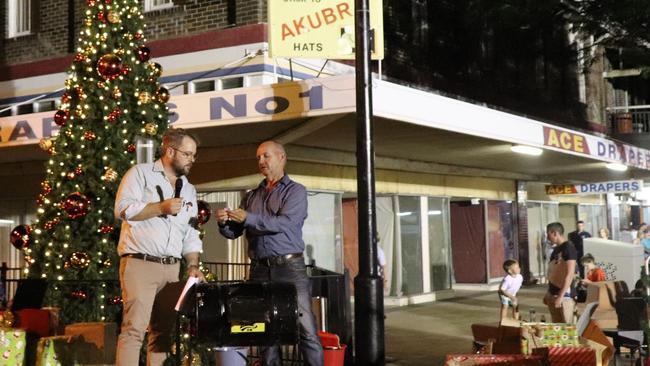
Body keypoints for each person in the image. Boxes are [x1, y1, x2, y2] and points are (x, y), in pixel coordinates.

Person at [217, 141, 323, 366]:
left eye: (266, 156)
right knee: (265, 331)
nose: (261, 161)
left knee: (306, 329)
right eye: (258, 158)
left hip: (289, 269)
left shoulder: (296, 191)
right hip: (259, 269)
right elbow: (234, 232)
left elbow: (285, 223)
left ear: (281, 157)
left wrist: (248, 218)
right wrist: (224, 223)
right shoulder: (252, 196)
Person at [114, 128, 204, 366]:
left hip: (172, 269)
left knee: (163, 334)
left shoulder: (189, 189)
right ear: (170, 151)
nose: (192, 160)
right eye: (187, 154)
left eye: (194, 155)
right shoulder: (140, 174)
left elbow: (191, 231)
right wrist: (160, 207)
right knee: (134, 329)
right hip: (140, 263)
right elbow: (123, 209)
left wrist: (193, 265)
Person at [544, 222, 577, 323]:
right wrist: (548, 293)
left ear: (554, 233)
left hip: (564, 296)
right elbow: (554, 271)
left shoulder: (568, 248)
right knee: (556, 327)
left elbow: (570, 274)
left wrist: (560, 296)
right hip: (553, 293)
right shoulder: (556, 250)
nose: (548, 238)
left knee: (566, 327)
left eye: (548, 234)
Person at [498, 259, 523, 323]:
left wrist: (514, 296)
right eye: (516, 268)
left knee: (516, 306)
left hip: (512, 294)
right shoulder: (507, 279)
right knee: (505, 306)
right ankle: (503, 321)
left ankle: (516, 320)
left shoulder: (520, 277)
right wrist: (511, 297)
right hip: (504, 294)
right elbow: (502, 289)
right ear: (510, 271)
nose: (519, 269)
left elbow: (516, 287)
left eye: (518, 267)